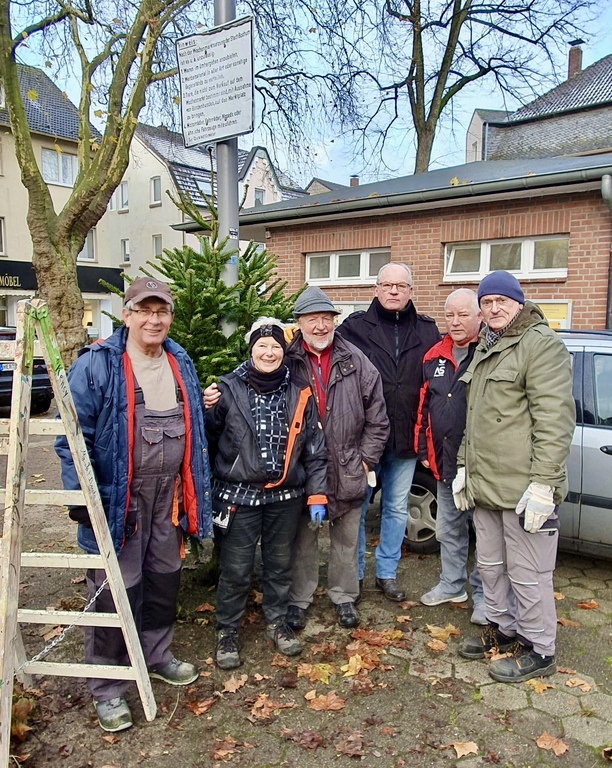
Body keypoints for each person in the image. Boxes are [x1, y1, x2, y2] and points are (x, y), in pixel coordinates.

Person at [55, 276, 212, 733]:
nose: (153, 319)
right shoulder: (98, 364)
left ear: (169, 317)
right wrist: (82, 499)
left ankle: (156, 653)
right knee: (113, 590)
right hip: (119, 498)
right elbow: (72, 437)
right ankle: (108, 686)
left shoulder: (180, 361)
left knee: (163, 579)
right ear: (126, 315)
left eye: (161, 311)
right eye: (144, 310)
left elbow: (196, 431)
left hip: (169, 497)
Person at [454, 271, 575, 683]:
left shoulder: (541, 346)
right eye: (486, 303)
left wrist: (544, 484)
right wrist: (462, 468)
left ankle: (539, 648)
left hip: (525, 490)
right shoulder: (489, 347)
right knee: (490, 566)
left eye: (502, 301)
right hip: (486, 486)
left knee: (528, 573)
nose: (494, 308)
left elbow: (554, 422)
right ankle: (505, 630)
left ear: (519, 303)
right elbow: (476, 418)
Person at [205, 317, 328, 670]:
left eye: (275, 346)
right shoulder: (227, 388)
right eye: (262, 346)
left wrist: (317, 494)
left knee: (278, 566)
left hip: (284, 499)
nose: (269, 352)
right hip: (237, 497)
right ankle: (227, 630)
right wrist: (206, 407)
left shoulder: (300, 392)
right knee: (237, 569)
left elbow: (315, 449)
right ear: (251, 350)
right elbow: (207, 439)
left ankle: (277, 622)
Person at [284, 287, 389, 630]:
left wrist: (365, 461)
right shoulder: (285, 360)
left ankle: (344, 596)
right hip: (301, 469)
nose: (320, 326)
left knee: (347, 538)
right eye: (312, 319)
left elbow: (378, 416)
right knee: (303, 538)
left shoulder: (356, 360)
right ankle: (299, 599)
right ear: (299, 323)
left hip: (348, 465)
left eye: (326, 319)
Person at [337, 263, 441, 601]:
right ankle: (355, 575)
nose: (393, 291)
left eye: (400, 285)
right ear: (376, 289)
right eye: (387, 285)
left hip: (406, 438)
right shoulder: (353, 329)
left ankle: (387, 573)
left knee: (396, 508)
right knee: (359, 507)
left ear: (411, 291)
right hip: (364, 438)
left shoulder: (428, 331)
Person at [414, 289, 485, 623]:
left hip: (480, 468)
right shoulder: (434, 356)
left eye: (463, 315)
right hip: (443, 465)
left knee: (486, 537)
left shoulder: (488, 353)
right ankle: (452, 584)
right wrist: (422, 450)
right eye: (450, 315)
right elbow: (423, 408)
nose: (455, 322)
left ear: (479, 317)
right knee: (448, 530)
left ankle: (486, 596)